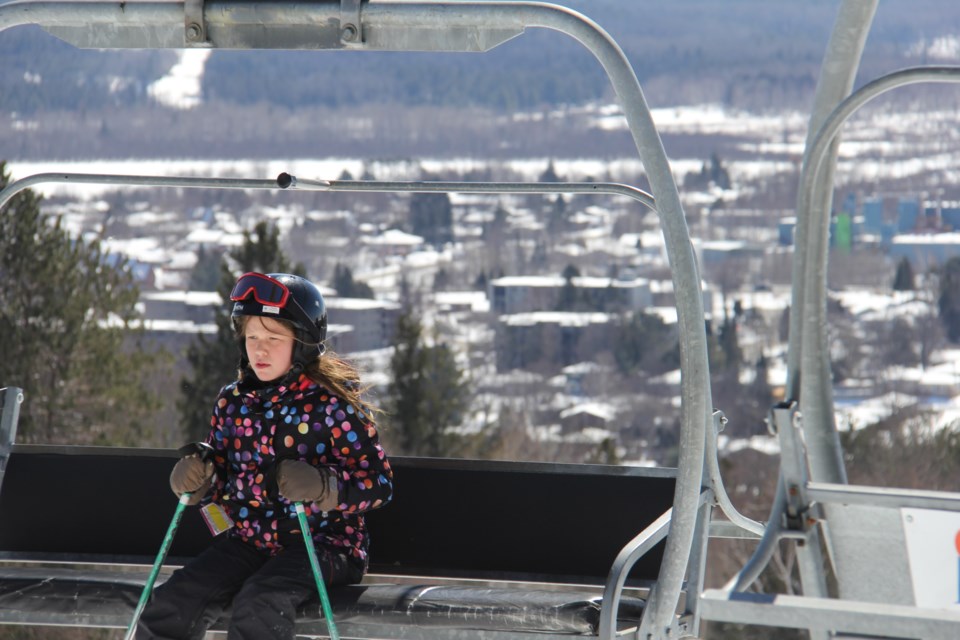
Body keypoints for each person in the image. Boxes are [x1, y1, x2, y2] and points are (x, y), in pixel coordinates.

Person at [137, 272, 393, 640]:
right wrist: (199, 481)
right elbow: (223, 484)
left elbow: (379, 484)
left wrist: (324, 486)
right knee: (173, 601)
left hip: (324, 546)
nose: (260, 349)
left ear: (303, 343)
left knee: (260, 602)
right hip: (250, 541)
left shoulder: (332, 406)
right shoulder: (234, 402)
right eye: (252, 337)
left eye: (274, 338)